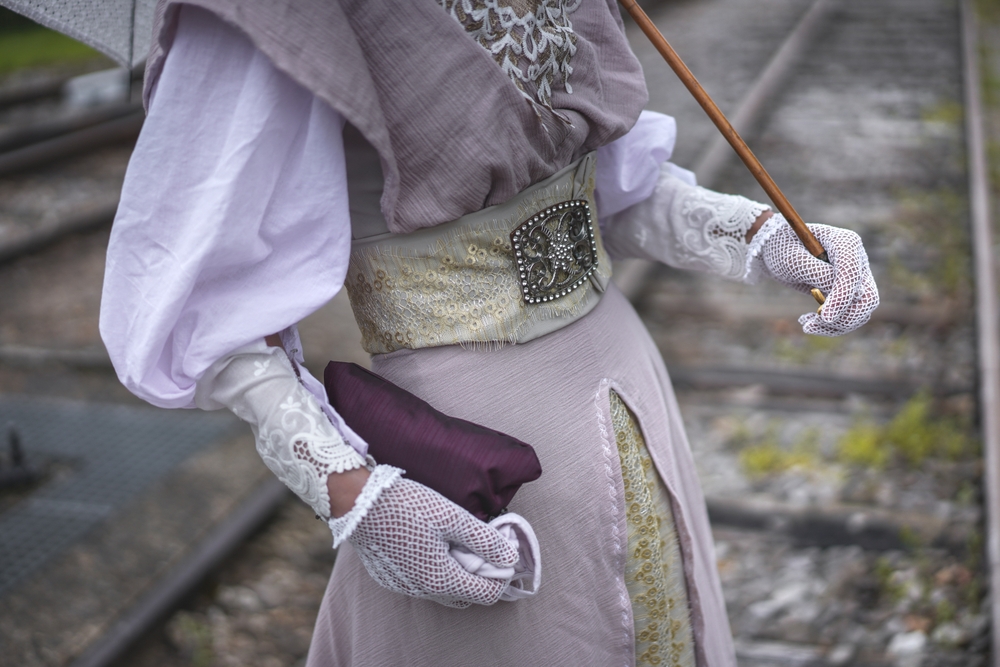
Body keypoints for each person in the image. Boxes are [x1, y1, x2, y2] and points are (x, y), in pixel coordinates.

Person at [99, 1, 879, 665]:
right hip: (472, 462)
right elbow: (213, 307)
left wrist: (762, 235)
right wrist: (358, 497)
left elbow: (607, 189)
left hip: (630, 390)